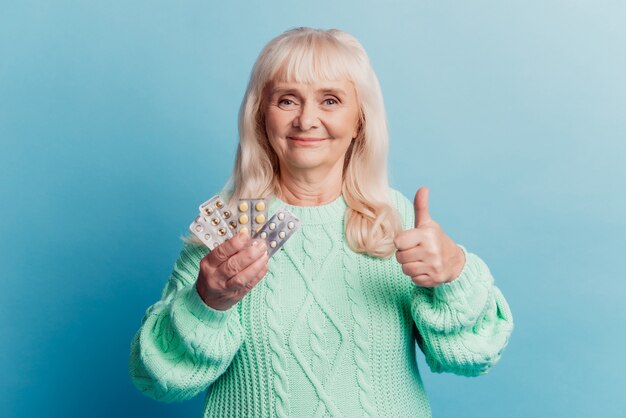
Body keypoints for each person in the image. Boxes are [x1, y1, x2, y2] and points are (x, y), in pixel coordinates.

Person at [129, 27, 514, 417]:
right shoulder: (228, 229)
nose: (307, 119)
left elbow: (473, 357)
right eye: (287, 100)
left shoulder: (397, 223)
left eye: (330, 100)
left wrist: (453, 275)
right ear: (261, 115)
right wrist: (205, 304)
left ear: (360, 120)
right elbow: (158, 381)